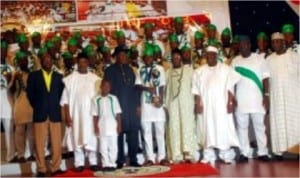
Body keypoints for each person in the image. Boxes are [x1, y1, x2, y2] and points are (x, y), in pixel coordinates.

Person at [192, 46, 241, 164]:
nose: (211, 57)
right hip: (206, 106)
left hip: (221, 105)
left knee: (223, 128)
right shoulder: (199, 71)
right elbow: (196, 90)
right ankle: (208, 155)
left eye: (213, 54)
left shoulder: (225, 69)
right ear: (206, 56)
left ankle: (226, 155)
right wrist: (198, 103)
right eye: (208, 54)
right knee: (206, 127)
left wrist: (230, 101)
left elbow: (231, 87)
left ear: (216, 55)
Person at [231, 36, 270, 162]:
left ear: (249, 45)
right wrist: (232, 97)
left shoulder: (259, 59)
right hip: (241, 100)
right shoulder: (235, 61)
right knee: (242, 127)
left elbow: (265, 78)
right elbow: (231, 82)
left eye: (245, 44)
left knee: (260, 127)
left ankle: (262, 152)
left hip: (257, 99)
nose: (242, 46)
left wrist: (266, 95)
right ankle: (244, 153)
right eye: (240, 45)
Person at [26, 47, 65, 177]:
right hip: (40, 113)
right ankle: (41, 168)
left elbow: (61, 96)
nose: (48, 62)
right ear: (41, 61)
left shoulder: (59, 77)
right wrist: (38, 106)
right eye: (45, 60)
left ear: (53, 62)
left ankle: (56, 167)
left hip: (55, 113)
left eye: (50, 60)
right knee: (40, 143)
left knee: (56, 143)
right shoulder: (33, 76)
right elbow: (30, 95)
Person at [61, 52, 101, 172]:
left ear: (88, 63)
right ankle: (79, 163)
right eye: (80, 62)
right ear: (77, 63)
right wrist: (67, 116)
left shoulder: (96, 79)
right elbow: (65, 101)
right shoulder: (70, 80)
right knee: (77, 136)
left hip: (91, 115)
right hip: (76, 115)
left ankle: (93, 161)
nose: (82, 64)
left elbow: (100, 99)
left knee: (92, 137)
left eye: (85, 62)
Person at [104, 48, 141, 169]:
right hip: (117, 107)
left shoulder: (130, 70)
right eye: (121, 55)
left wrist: (138, 105)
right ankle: (119, 160)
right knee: (118, 134)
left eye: (125, 54)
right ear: (116, 56)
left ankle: (133, 159)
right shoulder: (109, 71)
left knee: (133, 133)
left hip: (131, 106)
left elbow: (135, 89)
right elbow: (107, 90)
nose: (124, 56)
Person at [266, 32, 300, 160]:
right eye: (273, 42)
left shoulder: (294, 56)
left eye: (278, 41)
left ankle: (298, 151)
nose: (275, 44)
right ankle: (279, 152)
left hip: (294, 97)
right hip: (277, 98)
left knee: (295, 122)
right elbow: (266, 79)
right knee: (278, 123)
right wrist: (267, 95)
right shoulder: (269, 59)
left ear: (283, 42)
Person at [135, 45, 168, 166]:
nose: (148, 59)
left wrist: (162, 101)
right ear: (144, 58)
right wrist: (147, 88)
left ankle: (162, 156)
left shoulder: (160, 68)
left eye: (150, 57)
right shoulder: (140, 69)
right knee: (146, 132)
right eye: (146, 57)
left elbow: (162, 86)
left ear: (153, 57)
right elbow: (137, 85)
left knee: (160, 131)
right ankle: (150, 158)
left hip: (157, 103)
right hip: (146, 104)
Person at [165, 48, 198, 163]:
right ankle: (176, 154)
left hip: (187, 103)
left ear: (181, 58)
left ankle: (189, 153)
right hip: (172, 104)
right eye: (174, 58)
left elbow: (195, 88)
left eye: (178, 57)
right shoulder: (168, 72)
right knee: (174, 127)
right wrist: (165, 106)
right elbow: (166, 90)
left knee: (187, 126)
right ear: (171, 60)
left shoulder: (189, 71)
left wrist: (196, 102)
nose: (176, 59)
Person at [92, 79, 122, 172]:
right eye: (104, 86)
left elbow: (118, 113)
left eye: (108, 86)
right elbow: (95, 115)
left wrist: (119, 125)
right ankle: (105, 164)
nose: (106, 88)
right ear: (101, 87)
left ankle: (112, 163)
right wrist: (96, 126)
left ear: (110, 88)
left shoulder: (113, 98)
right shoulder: (95, 99)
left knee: (113, 146)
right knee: (103, 147)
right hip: (102, 126)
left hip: (113, 125)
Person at [13, 51, 34, 162]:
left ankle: (30, 153)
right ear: (18, 62)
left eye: (25, 60)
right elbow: (11, 90)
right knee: (19, 131)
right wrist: (16, 79)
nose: (23, 62)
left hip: (31, 106)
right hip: (19, 105)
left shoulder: (32, 74)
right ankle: (20, 155)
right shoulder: (15, 74)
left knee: (31, 132)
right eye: (21, 60)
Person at [0, 40, 17, 163]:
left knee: (9, 130)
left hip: (7, 102)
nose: (2, 52)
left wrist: (11, 79)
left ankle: (10, 156)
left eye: (4, 50)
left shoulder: (11, 68)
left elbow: (14, 88)